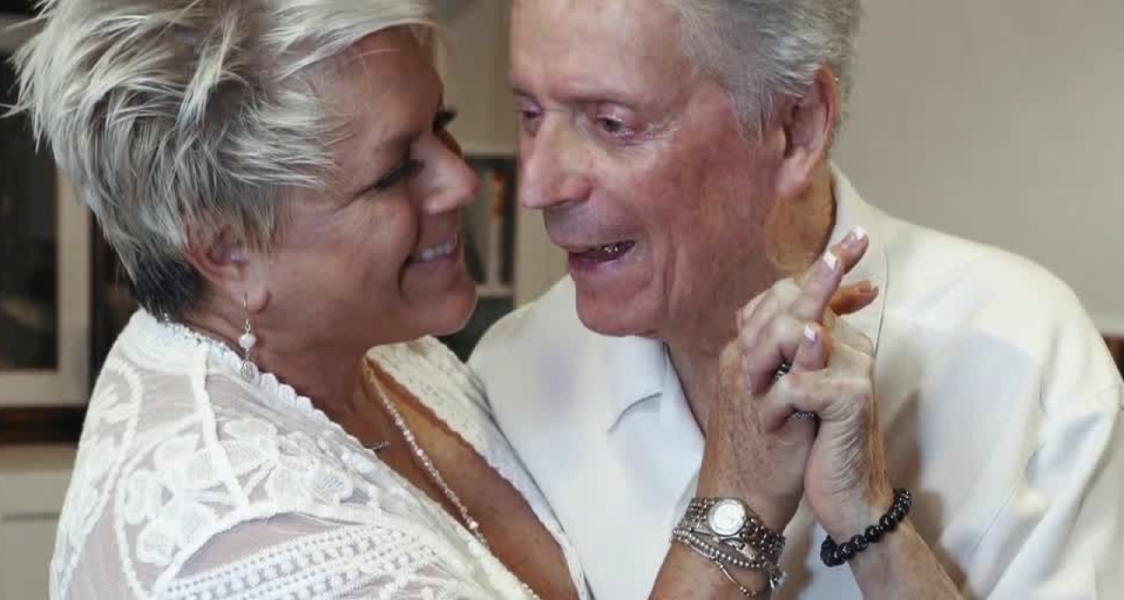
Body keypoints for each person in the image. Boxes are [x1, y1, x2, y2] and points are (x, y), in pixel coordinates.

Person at [471, 0, 1124, 598]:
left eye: (612, 123)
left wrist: (875, 523)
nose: (537, 185)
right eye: (530, 115)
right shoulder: (510, 378)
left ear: (797, 125)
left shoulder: (1029, 360)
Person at [12, 0, 595, 598]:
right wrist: (703, 507)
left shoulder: (350, 346)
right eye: (395, 173)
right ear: (227, 248)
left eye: (440, 121)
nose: (462, 182)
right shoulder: (241, 532)